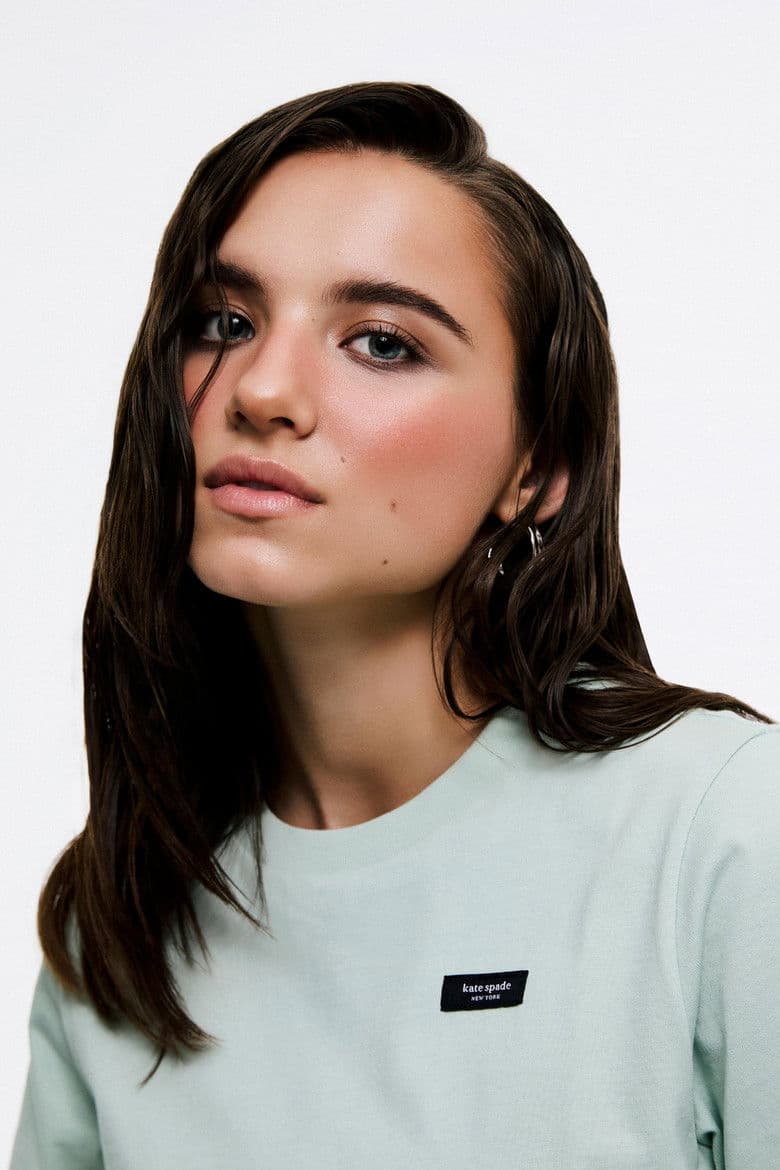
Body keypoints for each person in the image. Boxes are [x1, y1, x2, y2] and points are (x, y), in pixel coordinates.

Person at [9, 80, 779, 1170]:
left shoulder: (724, 831)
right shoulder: (122, 916)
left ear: (538, 467)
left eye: (379, 342)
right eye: (225, 323)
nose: (262, 390)